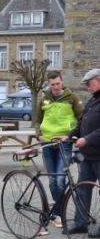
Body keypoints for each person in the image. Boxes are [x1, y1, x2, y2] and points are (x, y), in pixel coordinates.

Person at [53, 68, 100, 236]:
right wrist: (68, 136)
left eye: (89, 83)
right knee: (82, 189)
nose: (87, 87)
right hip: (87, 155)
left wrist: (87, 139)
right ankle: (81, 222)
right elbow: (82, 126)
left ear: (99, 80)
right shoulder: (92, 101)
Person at [35, 70, 83, 228]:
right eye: (52, 84)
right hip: (47, 143)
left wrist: (73, 136)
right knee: (53, 180)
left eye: (58, 83)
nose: (55, 87)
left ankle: (58, 212)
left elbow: (81, 118)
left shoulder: (72, 97)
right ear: (49, 84)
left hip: (64, 143)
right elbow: (37, 120)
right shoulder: (43, 99)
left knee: (61, 179)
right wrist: (38, 135)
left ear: (62, 81)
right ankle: (57, 214)